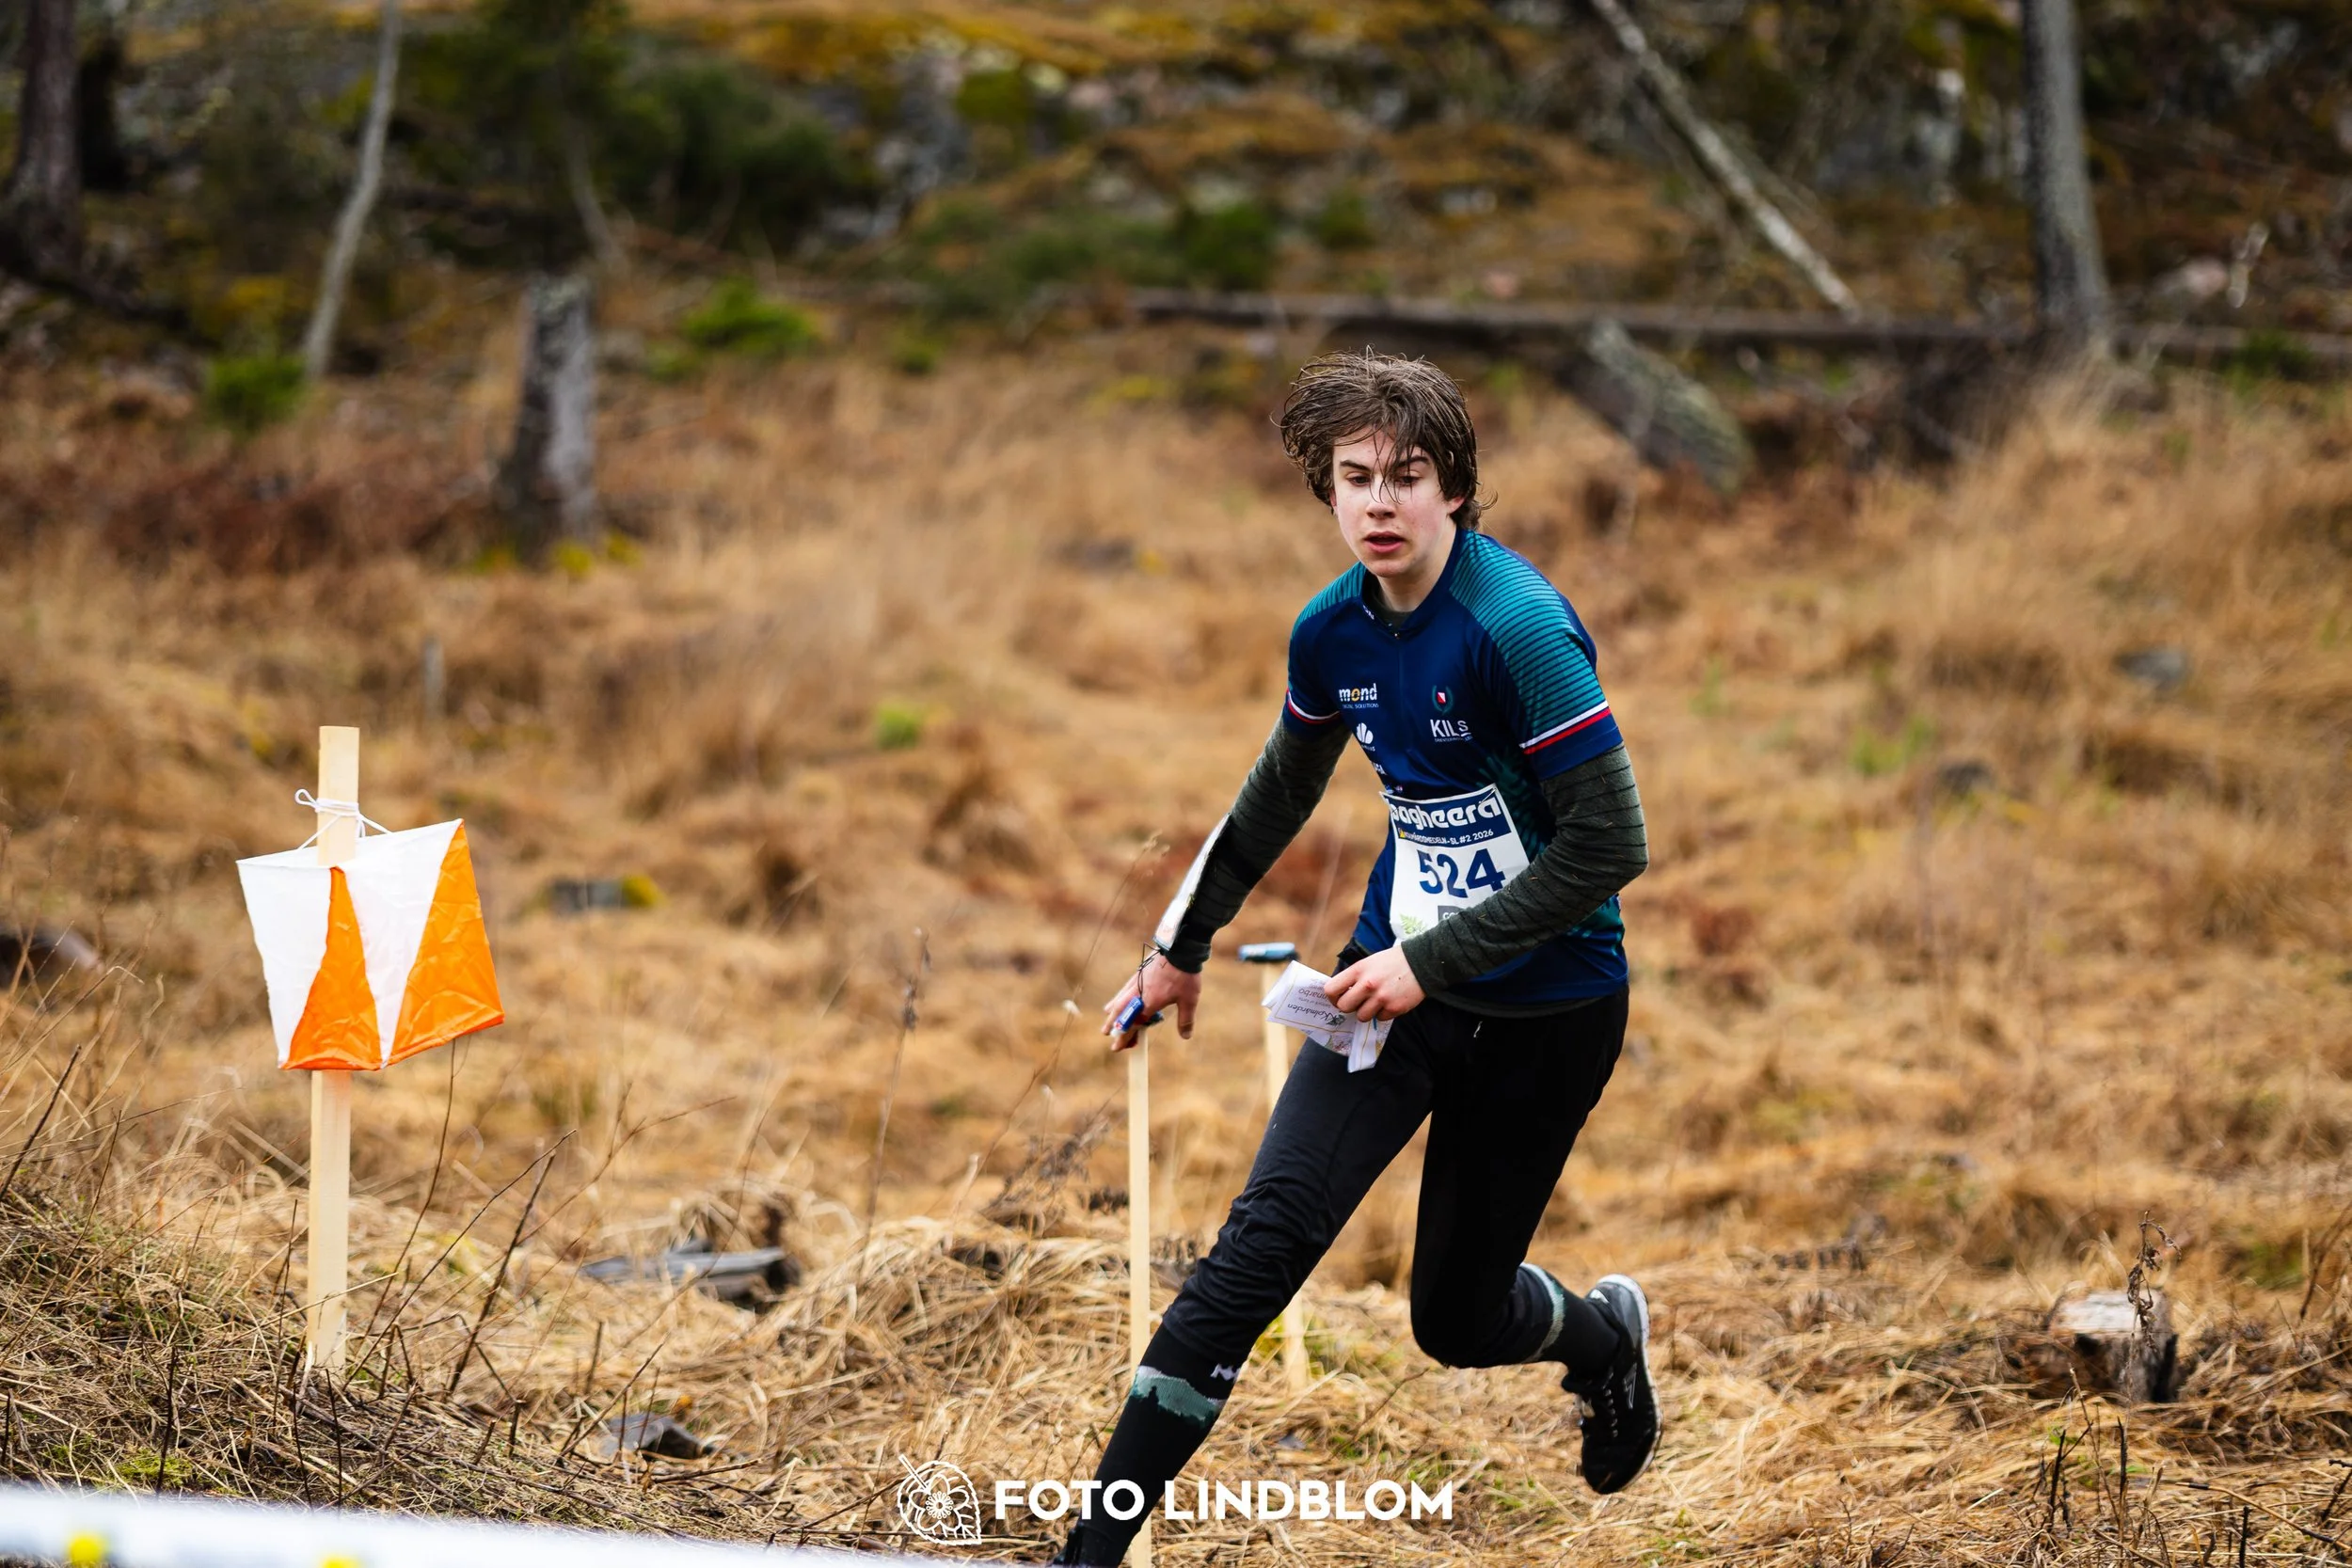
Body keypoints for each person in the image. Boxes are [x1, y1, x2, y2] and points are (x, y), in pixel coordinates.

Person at [1052, 351, 1657, 1565]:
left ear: (1455, 490)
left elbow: (1610, 843)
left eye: (1408, 477)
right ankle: (1092, 1553)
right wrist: (1180, 949)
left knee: (1455, 1318)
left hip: (1548, 1010)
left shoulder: (1516, 630)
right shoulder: (1332, 631)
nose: (1380, 503)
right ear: (1325, 491)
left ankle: (1599, 1342)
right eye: (1355, 479)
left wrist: (1434, 962)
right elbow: (1277, 791)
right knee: (1254, 1255)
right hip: (1385, 995)